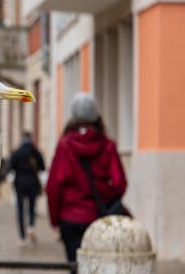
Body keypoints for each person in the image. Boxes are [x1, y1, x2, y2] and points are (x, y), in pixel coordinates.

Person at [46, 93, 127, 265]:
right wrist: (106, 194)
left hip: (70, 219)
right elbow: (120, 184)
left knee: (75, 266)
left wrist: (55, 219)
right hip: (99, 219)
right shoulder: (107, 145)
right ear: (96, 116)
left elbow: (53, 187)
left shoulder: (64, 145)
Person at [10, 132, 45, 246]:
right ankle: (31, 226)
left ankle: (22, 237)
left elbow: (12, 166)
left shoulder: (17, 152)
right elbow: (42, 167)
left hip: (20, 183)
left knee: (20, 210)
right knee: (31, 207)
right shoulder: (36, 152)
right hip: (33, 182)